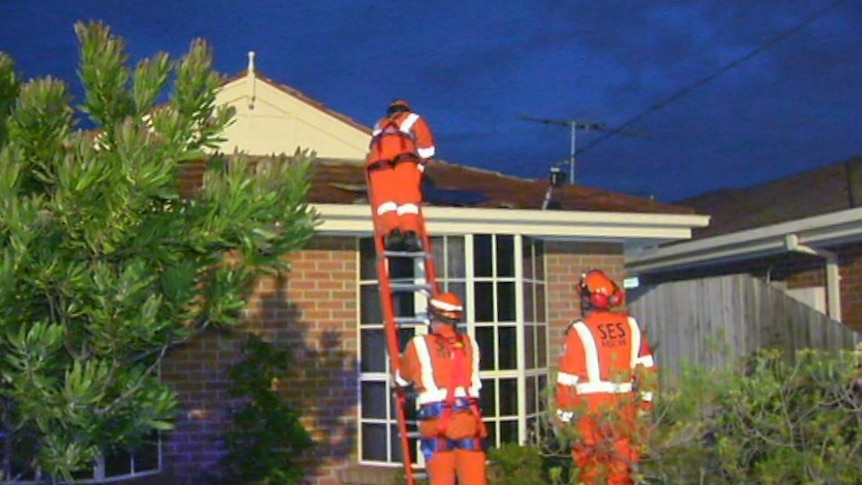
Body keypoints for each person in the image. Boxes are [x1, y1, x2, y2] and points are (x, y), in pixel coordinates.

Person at [555, 269, 656, 485]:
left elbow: (566, 382)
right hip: (625, 408)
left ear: (587, 299)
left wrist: (562, 420)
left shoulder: (580, 331)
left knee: (592, 472)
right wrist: (644, 408)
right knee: (622, 471)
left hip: (591, 412)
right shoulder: (631, 326)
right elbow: (647, 372)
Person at [397, 292, 488, 485]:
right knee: (474, 479)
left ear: (432, 317)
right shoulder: (471, 343)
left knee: (441, 480)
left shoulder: (418, 344)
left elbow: (401, 379)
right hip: (467, 419)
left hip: (435, 422)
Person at [366, 99, 436, 252]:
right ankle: (410, 233)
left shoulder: (379, 124)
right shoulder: (413, 119)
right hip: (404, 159)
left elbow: (373, 145)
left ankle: (392, 233)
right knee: (407, 197)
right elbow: (427, 148)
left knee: (385, 200)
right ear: (406, 109)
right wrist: (420, 166)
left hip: (378, 163)